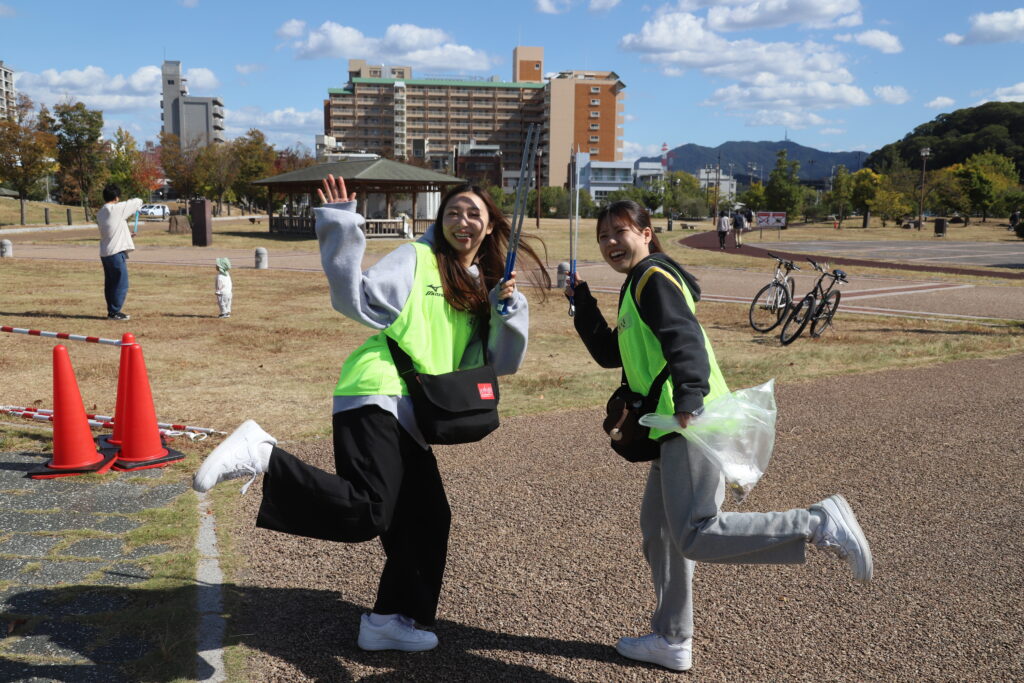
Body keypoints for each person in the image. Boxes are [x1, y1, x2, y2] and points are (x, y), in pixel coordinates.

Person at [193, 176, 550, 652]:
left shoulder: (479, 287)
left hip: (413, 411)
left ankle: (388, 621)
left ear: (488, 229)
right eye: (453, 212)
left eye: (473, 215)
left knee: (428, 518)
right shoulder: (417, 258)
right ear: (440, 220)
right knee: (369, 511)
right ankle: (264, 456)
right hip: (374, 390)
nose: (461, 222)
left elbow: (497, 364)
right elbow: (353, 297)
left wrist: (506, 311)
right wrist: (342, 225)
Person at [565, 200, 872, 673]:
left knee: (695, 532)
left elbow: (683, 335)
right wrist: (582, 302)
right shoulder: (636, 285)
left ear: (646, 233)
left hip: (689, 421)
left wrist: (690, 396)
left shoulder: (653, 278)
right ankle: (672, 638)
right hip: (672, 424)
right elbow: (612, 354)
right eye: (602, 236)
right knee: (661, 533)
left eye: (618, 232)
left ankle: (816, 522)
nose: (609, 243)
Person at [96, 184, 143, 320]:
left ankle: (112, 311)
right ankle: (115, 311)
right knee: (121, 283)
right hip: (115, 252)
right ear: (116, 197)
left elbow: (112, 228)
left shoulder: (101, 212)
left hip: (106, 252)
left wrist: (127, 234)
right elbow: (138, 201)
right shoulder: (116, 209)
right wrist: (137, 206)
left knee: (111, 283)